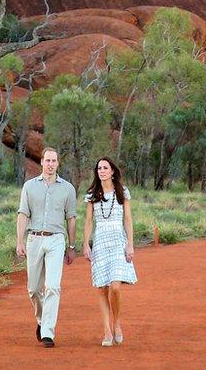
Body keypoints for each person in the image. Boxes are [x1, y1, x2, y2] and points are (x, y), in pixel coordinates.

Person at [16, 148, 77, 348]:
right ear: (41, 162)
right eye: (47, 160)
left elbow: (71, 218)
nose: (51, 164)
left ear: (58, 163)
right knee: (34, 289)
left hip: (56, 240)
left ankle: (48, 332)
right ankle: (42, 321)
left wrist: (72, 246)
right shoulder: (29, 187)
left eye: (54, 161)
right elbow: (23, 214)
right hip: (34, 239)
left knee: (52, 286)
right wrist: (20, 241)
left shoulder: (67, 188)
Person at [82, 157, 137, 347]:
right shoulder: (92, 194)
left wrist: (130, 245)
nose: (102, 171)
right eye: (99, 168)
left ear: (113, 171)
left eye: (105, 168)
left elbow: (128, 219)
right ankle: (106, 330)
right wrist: (86, 244)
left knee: (115, 287)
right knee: (101, 288)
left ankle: (117, 322)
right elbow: (89, 221)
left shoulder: (122, 192)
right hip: (100, 242)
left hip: (118, 241)